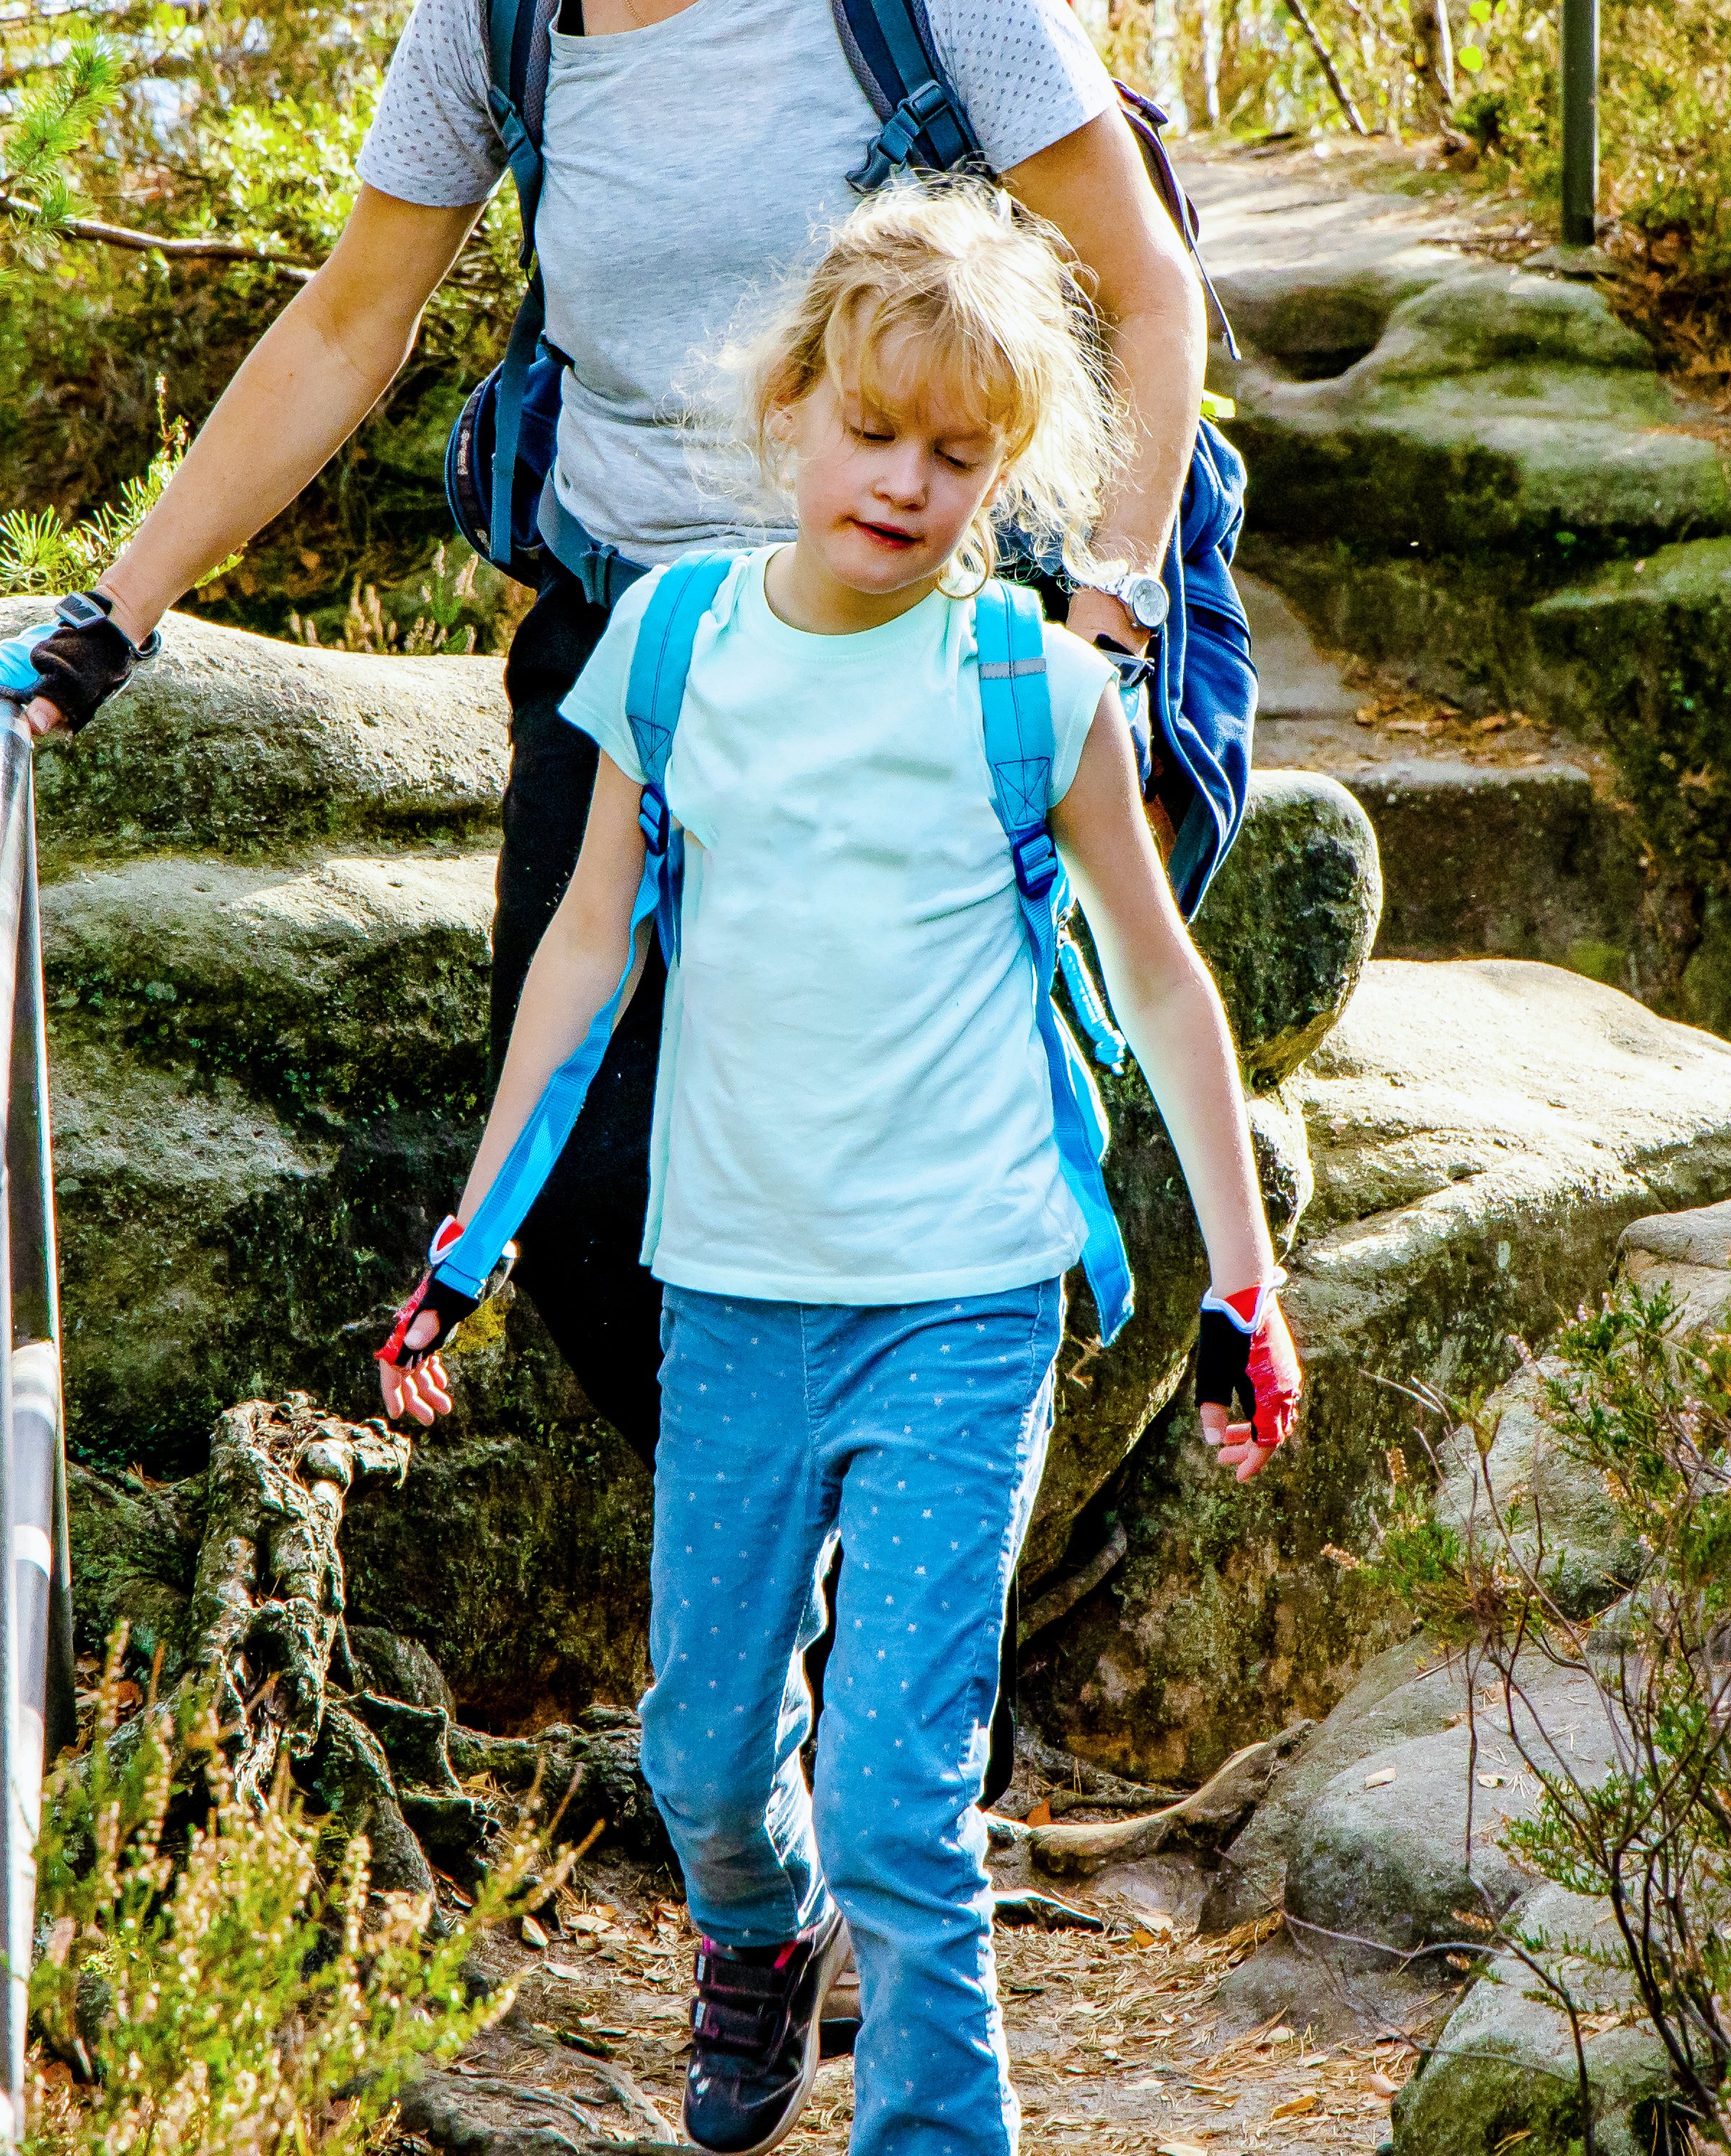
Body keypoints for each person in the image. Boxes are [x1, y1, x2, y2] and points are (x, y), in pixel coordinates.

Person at [0, 0, 1213, 1472]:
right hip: (642, 653)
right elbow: (348, 324)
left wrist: (1108, 600)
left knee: (904, 1189)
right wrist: (110, 616)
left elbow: (1143, 283)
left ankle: (895, 1696)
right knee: (588, 1212)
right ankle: (787, 1642)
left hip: (913, 642)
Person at [371, 187, 1301, 2156]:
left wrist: (1243, 1276)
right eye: (871, 430)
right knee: (705, 1758)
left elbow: (1160, 975)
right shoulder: (677, 638)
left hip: (965, 1300)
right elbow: (586, 944)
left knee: (902, 1791)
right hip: (736, 1289)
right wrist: (482, 1223)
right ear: (792, 406)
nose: (903, 480)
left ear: (1006, 469)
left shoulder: (1033, 691)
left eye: (957, 454)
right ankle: (759, 1930)